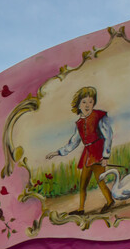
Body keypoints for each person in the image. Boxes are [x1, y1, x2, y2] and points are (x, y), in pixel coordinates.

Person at [46, 86, 115, 214]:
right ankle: (81, 209)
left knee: (100, 180)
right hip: (87, 154)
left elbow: (108, 136)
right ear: (78, 105)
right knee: (83, 184)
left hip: (98, 152)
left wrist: (105, 157)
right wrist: (57, 153)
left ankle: (110, 201)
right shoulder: (79, 123)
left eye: (90, 101)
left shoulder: (99, 116)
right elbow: (73, 142)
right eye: (84, 102)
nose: (88, 105)